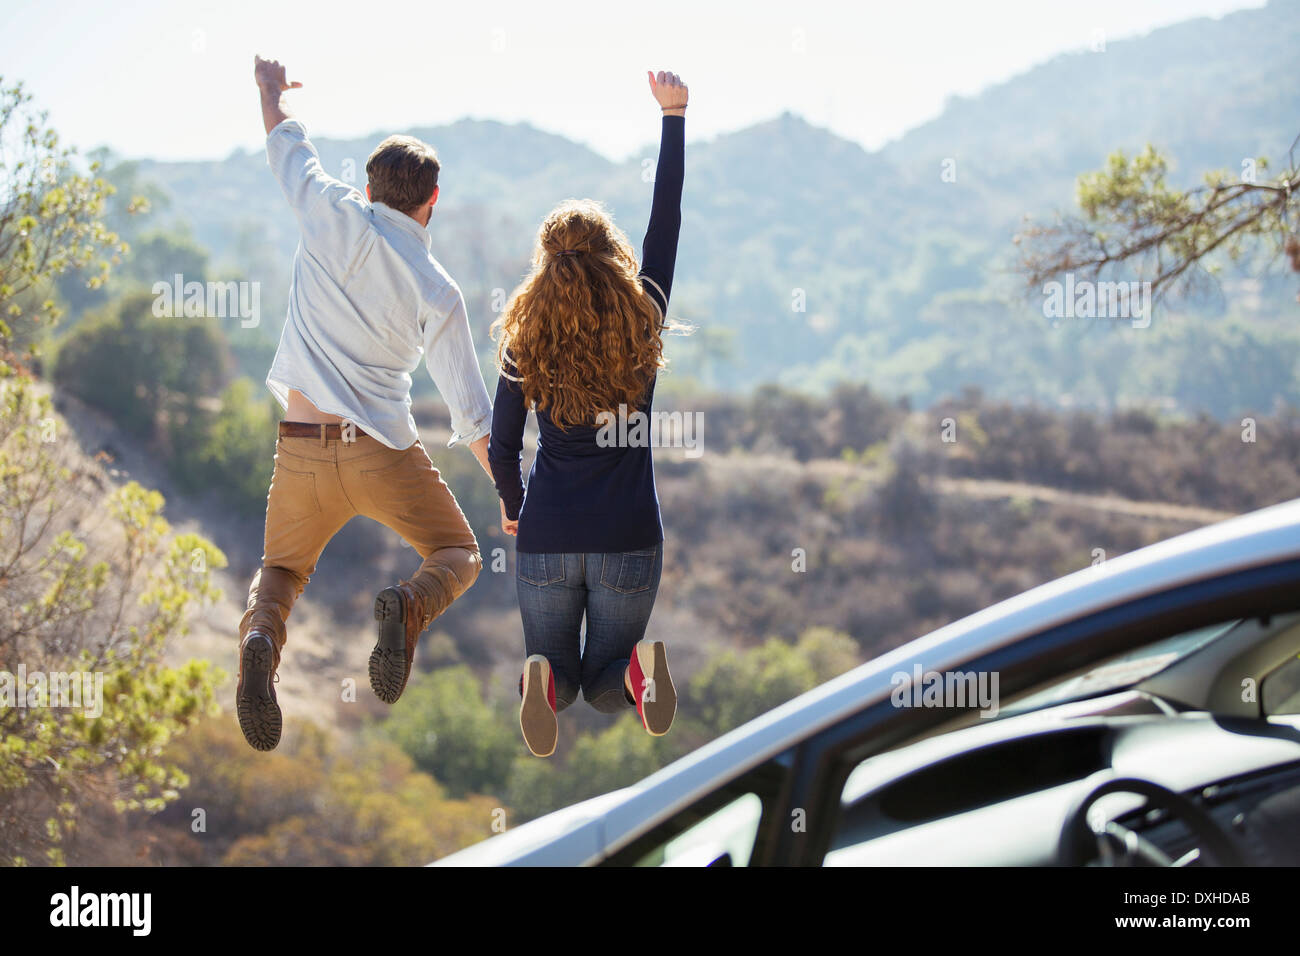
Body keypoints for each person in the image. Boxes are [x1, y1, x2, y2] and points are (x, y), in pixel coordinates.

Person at [237, 56, 498, 751]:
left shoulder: (326, 208)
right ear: (432, 201)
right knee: (458, 552)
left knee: (282, 573)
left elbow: (285, 141)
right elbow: (473, 416)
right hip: (380, 452)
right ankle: (406, 609)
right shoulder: (438, 290)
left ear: (367, 186)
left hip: (298, 446)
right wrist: (513, 494)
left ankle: (261, 639)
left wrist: (268, 88)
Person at [489, 70, 689, 757]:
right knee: (607, 683)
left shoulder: (525, 341)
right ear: (614, 260)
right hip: (628, 534)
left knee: (562, 678)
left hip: (549, 532)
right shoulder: (644, 322)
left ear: (545, 264)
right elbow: (667, 223)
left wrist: (515, 504)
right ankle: (637, 675)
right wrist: (674, 116)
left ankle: (539, 682)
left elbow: (502, 445)